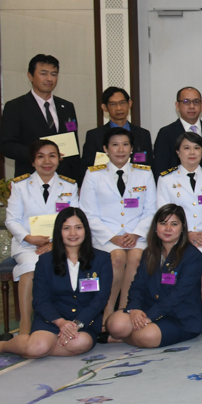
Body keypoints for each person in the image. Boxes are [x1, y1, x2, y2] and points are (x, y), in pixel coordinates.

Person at [0, 207, 111, 358]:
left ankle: (38, 347)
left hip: (83, 322)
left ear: (86, 230)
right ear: (59, 232)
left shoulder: (102, 259)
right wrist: (61, 323)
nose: (73, 233)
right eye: (66, 228)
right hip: (52, 320)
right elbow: (40, 300)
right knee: (37, 347)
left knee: (80, 343)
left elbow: (100, 299)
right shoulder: (45, 261)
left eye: (78, 228)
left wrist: (77, 324)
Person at [0, 139, 78, 340]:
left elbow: (75, 220)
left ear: (59, 159)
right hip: (28, 245)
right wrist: (29, 238)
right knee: (31, 266)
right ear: (32, 161)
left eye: (52, 156)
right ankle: (25, 324)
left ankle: (63, 320)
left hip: (61, 244)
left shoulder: (69, 186)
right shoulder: (20, 186)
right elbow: (11, 220)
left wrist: (54, 243)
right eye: (40, 157)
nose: (47, 161)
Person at [78, 127, 155, 317]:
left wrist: (136, 233)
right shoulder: (93, 174)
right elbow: (87, 213)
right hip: (105, 236)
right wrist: (112, 237)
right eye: (115, 145)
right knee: (118, 257)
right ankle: (106, 310)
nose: (120, 150)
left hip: (136, 234)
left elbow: (151, 210)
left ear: (132, 148)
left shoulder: (144, 173)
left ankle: (124, 310)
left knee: (136, 257)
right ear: (105, 148)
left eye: (125, 145)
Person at [105, 204, 202, 348]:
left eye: (174, 224)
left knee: (145, 336)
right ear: (156, 227)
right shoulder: (149, 252)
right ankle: (128, 335)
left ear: (182, 227)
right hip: (148, 309)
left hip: (180, 317)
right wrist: (134, 309)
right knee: (115, 324)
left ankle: (124, 338)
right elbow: (137, 285)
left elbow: (179, 294)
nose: (168, 229)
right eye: (163, 223)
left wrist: (151, 316)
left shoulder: (193, 256)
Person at [157, 132, 202, 320]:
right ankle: (176, 307)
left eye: (196, 148)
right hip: (176, 237)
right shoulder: (166, 179)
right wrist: (185, 234)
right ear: (177, 152)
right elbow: (163, 213)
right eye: (186, 148)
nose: (192, 152)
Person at [0, 54, 84, 183]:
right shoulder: (15, 107)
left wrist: (78, 181)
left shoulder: (67, 107)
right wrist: (38, 154)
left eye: (54, 74)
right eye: (43, 74)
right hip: (31, 178)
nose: (49, 78)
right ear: (30, 76)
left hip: (65, 178)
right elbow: (7, 145)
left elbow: (73, 143)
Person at [152, 87, 202, 175]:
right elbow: (160, 167)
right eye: (186, 102)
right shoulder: (166, 133)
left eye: (196, 102)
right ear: (177, 106)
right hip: (176, 182)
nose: (192, 106)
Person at [80, 86, 153, 172]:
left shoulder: (143, 135)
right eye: (113, 104)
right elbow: (86, 169)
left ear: (129, 104)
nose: (119, 108)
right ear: (104, 107)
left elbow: (149, 167)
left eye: (122, 103)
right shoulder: (94, 136)